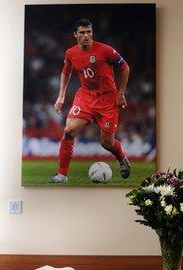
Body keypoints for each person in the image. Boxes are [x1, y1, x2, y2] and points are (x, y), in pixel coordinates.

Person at [50, 19, 130, 183]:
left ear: (91, 33)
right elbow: (66, 72)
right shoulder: (70, 53)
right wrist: (61, 95)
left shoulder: (105, 50)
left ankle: (121, 157)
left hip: (107, 99)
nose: (86, 35)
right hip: (85, 96)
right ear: (75, 35)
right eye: (82, 32)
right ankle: (62, 174)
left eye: (88, 32)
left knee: (107, 143)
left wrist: (121, 93)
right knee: (69, 130)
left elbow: (125, 68)